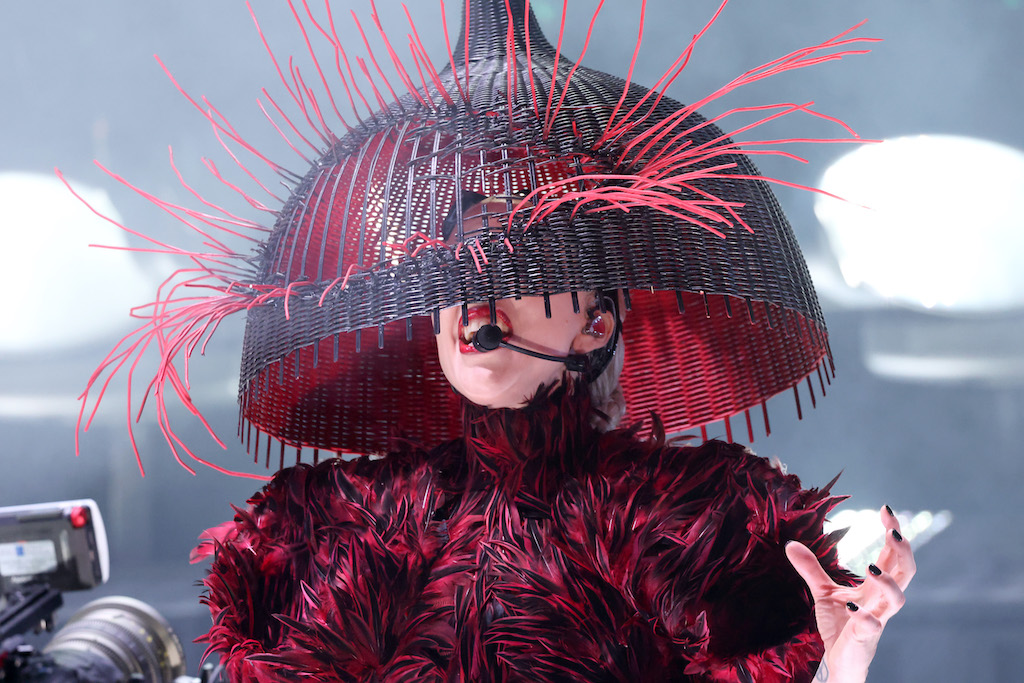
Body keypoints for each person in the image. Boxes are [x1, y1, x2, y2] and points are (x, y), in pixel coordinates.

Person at [81, 1, 913, 680]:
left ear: (598, 322)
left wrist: (838, 667)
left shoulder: (695, 526)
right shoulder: (339, 532)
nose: (471, 297)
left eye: (516, 265)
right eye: (449, 274)